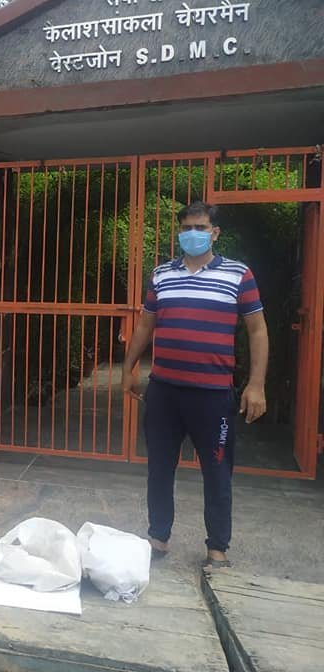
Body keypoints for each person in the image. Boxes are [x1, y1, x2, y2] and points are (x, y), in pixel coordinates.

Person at [121, 201, 268, 568]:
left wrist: (256, 384)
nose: (193, 234)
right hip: (164, 392)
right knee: (159, 467)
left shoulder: (238, 275)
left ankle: (217, 548)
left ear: (215, 233)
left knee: (217, 471)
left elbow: (257, 329)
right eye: (186, 228)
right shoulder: (162, 275)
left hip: (213, 396)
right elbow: (145, 324)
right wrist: (128, 367)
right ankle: (158, 537)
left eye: (200, 228)